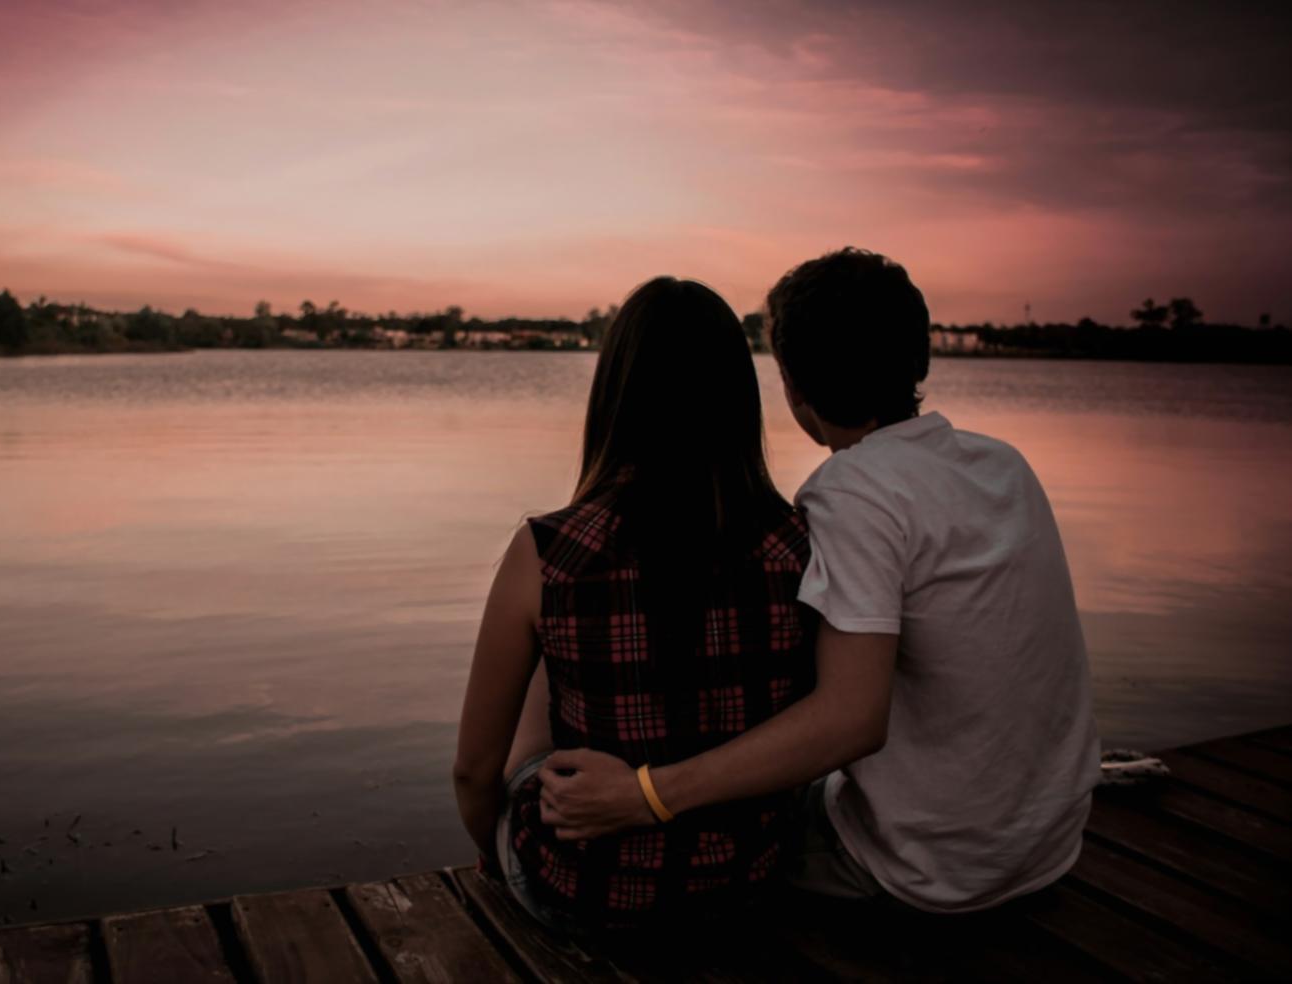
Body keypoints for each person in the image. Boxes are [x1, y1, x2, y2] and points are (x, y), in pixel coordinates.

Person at [538, 248, 1100, 914]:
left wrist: (647, 793)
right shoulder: (1002, 465)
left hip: (927, 868)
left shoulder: (851, 492)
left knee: (724, 831)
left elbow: (850, 722)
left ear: (794, 388)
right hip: (1046, 843)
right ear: (916, 360)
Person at [452, 276, 816, 930]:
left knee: (541, 655)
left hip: (586, 893)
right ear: (738, 398)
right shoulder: (799, 545)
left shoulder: (549, 550)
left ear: (614, 394)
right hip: (745, 885)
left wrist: (498, 855)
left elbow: (472, 774)